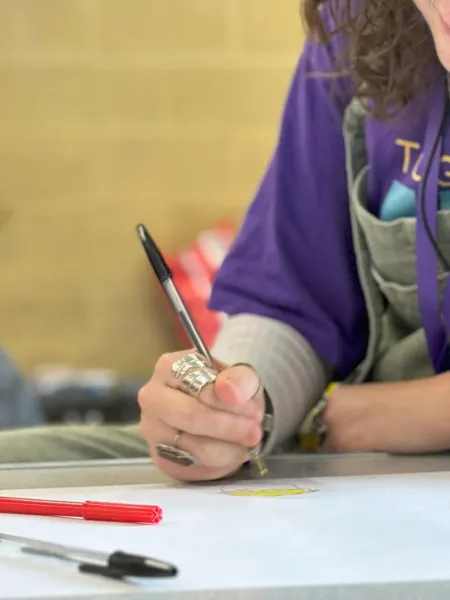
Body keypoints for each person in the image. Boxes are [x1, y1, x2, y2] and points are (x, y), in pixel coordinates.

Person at [2, 0, 450, 478]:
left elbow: (354, 422)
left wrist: (402, 416)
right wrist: (230, 411)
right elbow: (294, 297)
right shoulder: (360, 27)